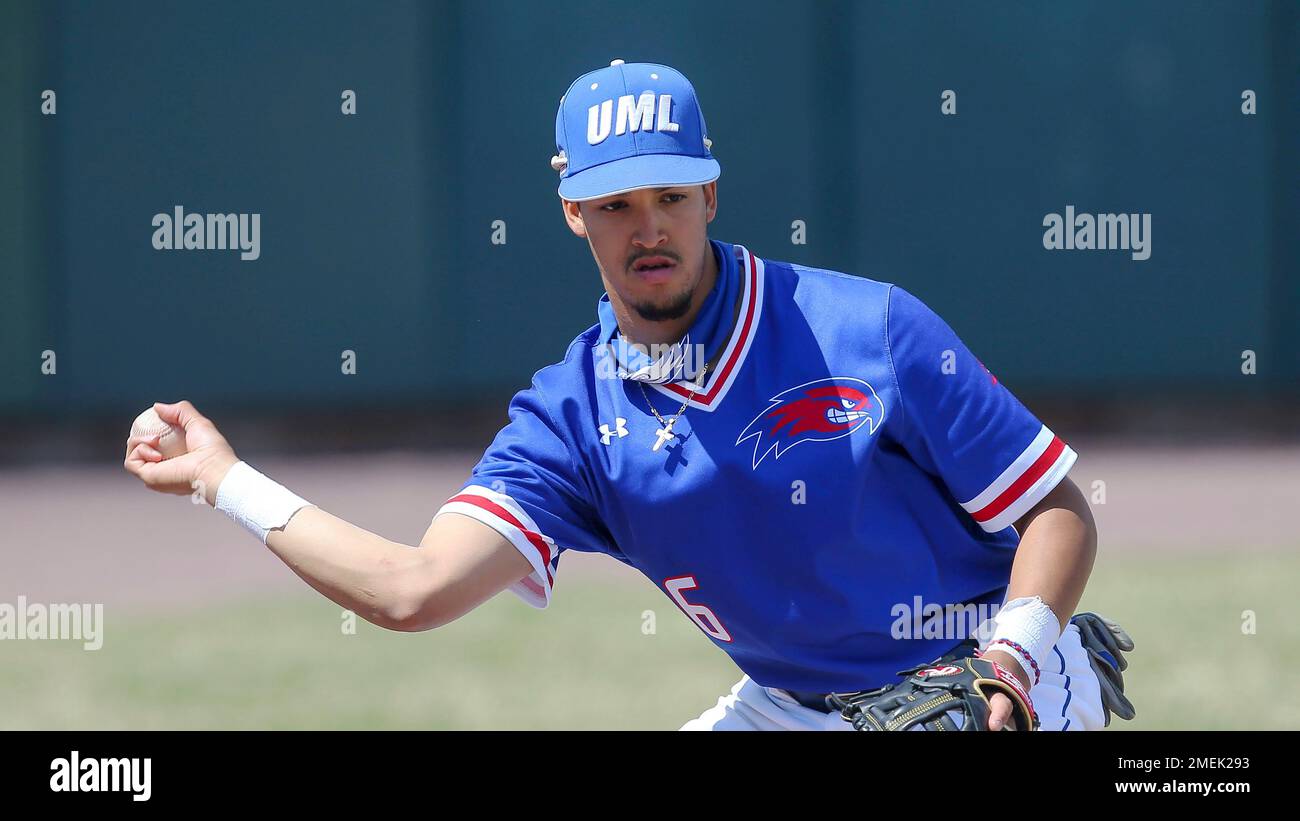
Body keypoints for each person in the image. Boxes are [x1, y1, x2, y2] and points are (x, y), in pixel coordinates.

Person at [125, 60, 1131, 731]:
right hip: (789, 704)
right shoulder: (571, 421)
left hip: (997, 678)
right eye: (615, 203)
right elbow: (411, 589)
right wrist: (224, 477)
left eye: (669, 196)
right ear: (572, 211)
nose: (648, 227)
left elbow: (1055, 506)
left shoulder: (867, 330)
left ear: (711, 193)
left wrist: (1015, 650)